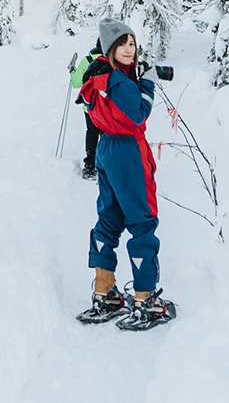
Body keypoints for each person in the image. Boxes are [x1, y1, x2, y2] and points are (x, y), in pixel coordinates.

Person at [73, 18, 177, 331]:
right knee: (142, 223)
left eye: (132, 43)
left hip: (106, 149)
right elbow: (138, 113)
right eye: (123, 44)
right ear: (111, 48)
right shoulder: (118, 82)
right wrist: (146, 83)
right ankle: (145, 300)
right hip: (129, 153)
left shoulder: (100, 78)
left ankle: (105, 294)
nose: (130, 50)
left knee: (109, 221)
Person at [69, 41, 104, 179]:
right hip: (106, 107)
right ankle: (105, 166)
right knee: (106, 136)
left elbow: (77, 83)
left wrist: (72, 71)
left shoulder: (87, 61)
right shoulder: (111, 60)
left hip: (89, 107)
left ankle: (90, 167)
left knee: (92, 133)